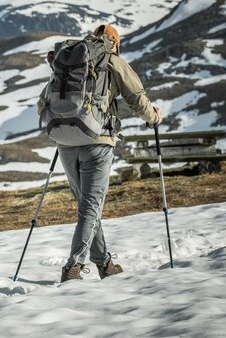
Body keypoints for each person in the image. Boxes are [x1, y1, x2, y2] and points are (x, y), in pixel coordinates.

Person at [58, 24, 163, 282]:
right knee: (90, 208)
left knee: (87, 207)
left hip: (65, 142)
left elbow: (42, 103)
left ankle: (105, 264)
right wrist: (154, 117)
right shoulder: (112, 60)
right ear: (114, 42)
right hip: (97, 141)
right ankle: (73, 268)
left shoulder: (70, 61)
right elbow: (136, 96)